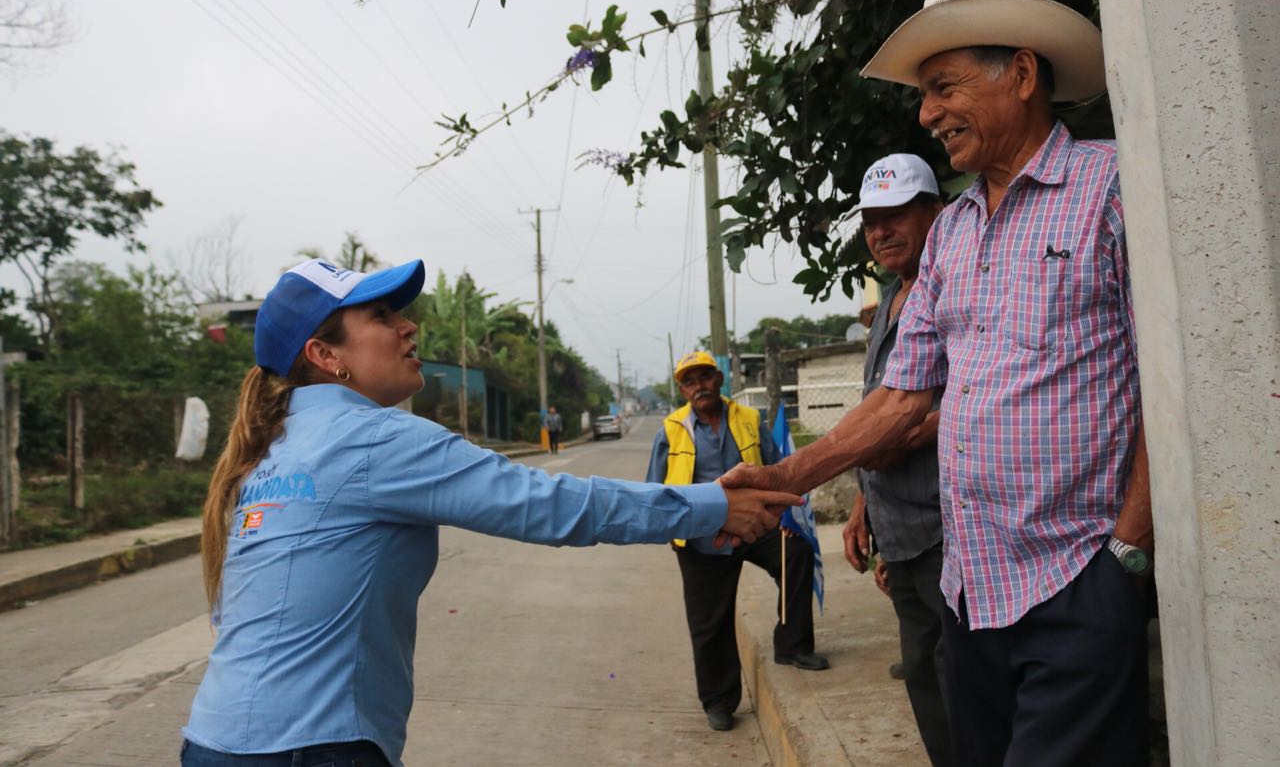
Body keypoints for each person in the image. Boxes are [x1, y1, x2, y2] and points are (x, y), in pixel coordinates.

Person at [724, 0, 1152, 767]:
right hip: (971, 589)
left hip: (1078, 579)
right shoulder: (951, 232)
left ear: (1021, 74)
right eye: (925, 96)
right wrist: (788, 473)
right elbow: (901, 393)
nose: (927, 114)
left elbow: (1171, 383)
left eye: (943, 88)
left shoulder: (1113, 188)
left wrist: (1128, 549)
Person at [180, 258, 801, 767]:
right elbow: (551, 505)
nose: (408, 327)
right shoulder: (370, 439)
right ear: (324, 353)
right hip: (313, 749)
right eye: (381, 315)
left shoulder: (268, 453)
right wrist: (713, 503)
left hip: (212, 740)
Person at [645, 351, 827, 733]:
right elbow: (654, 486)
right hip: (700, 537)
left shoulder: (747, 418)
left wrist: (788, 517)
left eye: (705, 377)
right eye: (690, 381)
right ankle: (718, 700)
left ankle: (792, 645)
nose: (699, 386)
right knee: (709, 622)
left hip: (752, 525)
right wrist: (668, 530)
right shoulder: (671, 428)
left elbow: (778, 467)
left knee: (794, 553)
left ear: (719, 379)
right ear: (682, 389)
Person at [841, 153, 950, 766]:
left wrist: (915, 429)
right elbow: (873, 411)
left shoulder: (958, 287)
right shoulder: (888, 302)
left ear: (934, 212)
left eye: (896, 215)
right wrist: (863, 510)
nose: (880, 231)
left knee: (960, 679)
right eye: (871, 221)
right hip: (901, 537)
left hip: (948, 532)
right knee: (923, 678)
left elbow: (983, 399)